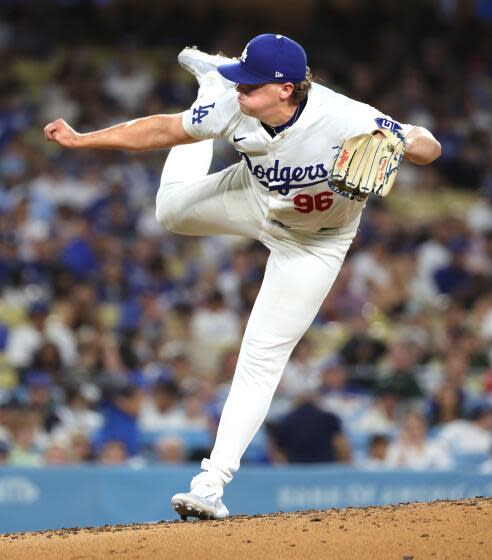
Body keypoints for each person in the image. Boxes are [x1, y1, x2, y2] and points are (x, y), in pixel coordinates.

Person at [44, 33, 441, 519]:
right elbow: (160, 131)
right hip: (253, 199)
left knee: (262, 357)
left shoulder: (345, 117)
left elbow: (430, 146)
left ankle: (210, 485)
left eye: (248, 84)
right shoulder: (235, 107)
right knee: (169, 211)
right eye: (237, 82)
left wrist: (400, 140)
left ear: (286, 89)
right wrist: (87, 140)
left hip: (314, 244)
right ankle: (206, 84)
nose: (241, 92)